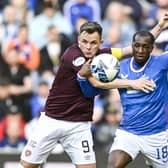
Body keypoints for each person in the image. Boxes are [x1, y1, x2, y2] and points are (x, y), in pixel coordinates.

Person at [18, 15, 168, 168]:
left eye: (93, 43)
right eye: (84, 42)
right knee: (27, 165)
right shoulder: (73, 54)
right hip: (53, 120)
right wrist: (132, 83)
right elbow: (97, 82)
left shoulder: (104, 55)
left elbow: (133, 48)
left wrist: (160, 26)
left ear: (100, 43)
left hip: (79, 125)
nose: (88, 47)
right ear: (78, 40)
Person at [79, 29, 168, 167]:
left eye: (145, 46)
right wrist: (83, 77)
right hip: (128, 133)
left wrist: (162, 26)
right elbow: (90, 91)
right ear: (131, 46)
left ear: (152, 48)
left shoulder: (161, 62)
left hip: (156, 135)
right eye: (137, 45)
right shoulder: (118, 68)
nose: (140, 50)